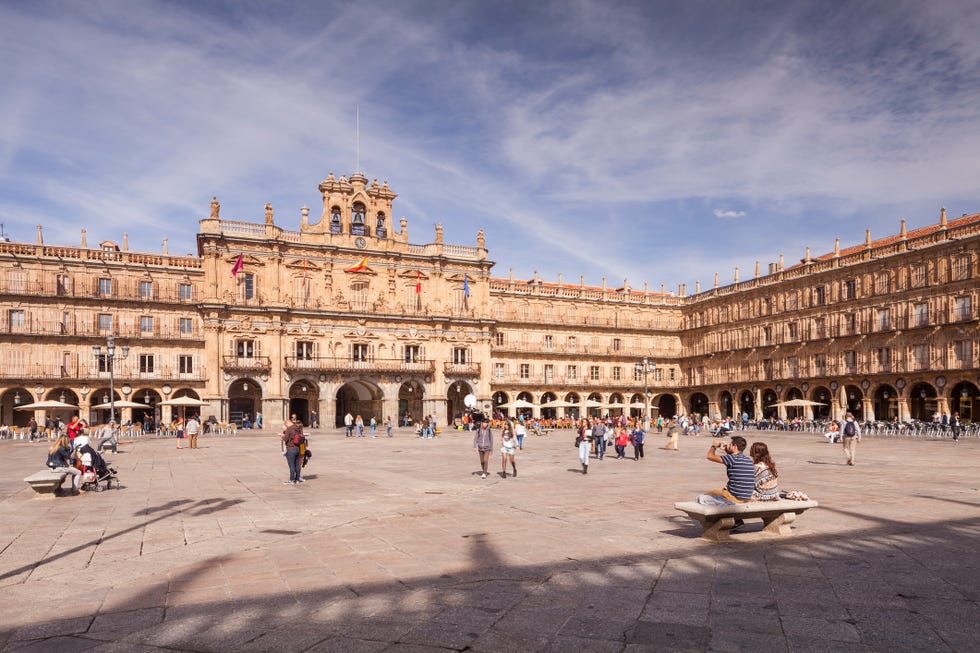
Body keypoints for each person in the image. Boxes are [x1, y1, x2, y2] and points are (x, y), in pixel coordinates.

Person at [696, 435, 754, 506]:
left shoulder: (732, 458)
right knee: (714, 492)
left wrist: (714, 446)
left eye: (730, 445)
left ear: (734, 446)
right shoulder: (748, 459)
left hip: (733, 496)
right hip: (746, 497)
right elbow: (732, 458)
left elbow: (710, 456)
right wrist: (726, 449)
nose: (728, 446)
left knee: (701, 498)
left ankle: (725, 505)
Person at [281, 419, 305, 484]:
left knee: (291, 465)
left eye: (286, 425)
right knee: (297, 465)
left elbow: (286, 439)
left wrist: (282, 436)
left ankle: (291, 480)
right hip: (298, 448)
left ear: (287, 424)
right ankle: (297, 479)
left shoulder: (289, 429)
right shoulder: (298, 428)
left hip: (291, 449)